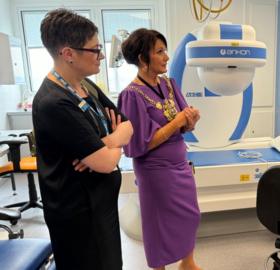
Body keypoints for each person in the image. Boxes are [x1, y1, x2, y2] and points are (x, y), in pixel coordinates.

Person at [32, 8, 133, 270]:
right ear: (68, 54)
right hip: (77, 215)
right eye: (95, 49)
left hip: (101, 206)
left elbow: (127, 126)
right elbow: (105, 163)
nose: (101, 56)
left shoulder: (86, 85)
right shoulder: (54, 102)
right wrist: (112, 143)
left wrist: (107, 142)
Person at [117, 28, 201, 270]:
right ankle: (159, 267)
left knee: (191, 214)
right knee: (158, 224)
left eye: (165, 50)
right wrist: (177, 122)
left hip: (180, 164)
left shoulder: (170, 84)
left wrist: (191, 120)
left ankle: (188, 262)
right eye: (160, 52)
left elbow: (184, 125)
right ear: (143, 59)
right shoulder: (131, 96)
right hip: (155, 170)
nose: (166, 57)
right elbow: (139, 144)